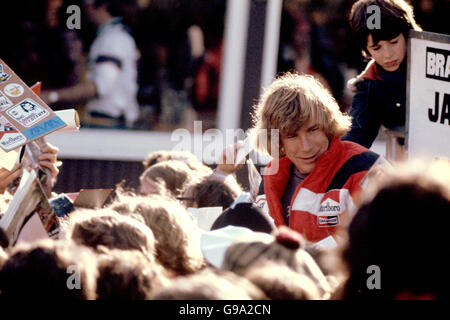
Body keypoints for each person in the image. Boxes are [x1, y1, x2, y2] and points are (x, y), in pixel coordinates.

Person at [251, 72, 380, 243]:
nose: (306, 146)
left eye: (312, 130)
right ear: (278, 141)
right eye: (292, 136)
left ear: (328, 125)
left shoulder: (366, 169)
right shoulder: (270, 177)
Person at [41, 0, 140, 129]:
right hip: (103, 122)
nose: (85, 9)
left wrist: (52, 96)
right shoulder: (107, 36)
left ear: (102, 5)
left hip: (108, 123)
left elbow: (99, 87)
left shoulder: (113, 38)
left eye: (87, 4)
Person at [342, 0, 422, 149]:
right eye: (377, 47)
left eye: (394, 42)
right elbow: (355, 137)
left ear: (408, 34)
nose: (388, 55)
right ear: (366, 49)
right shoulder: (372, 84)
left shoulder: (434, 66)